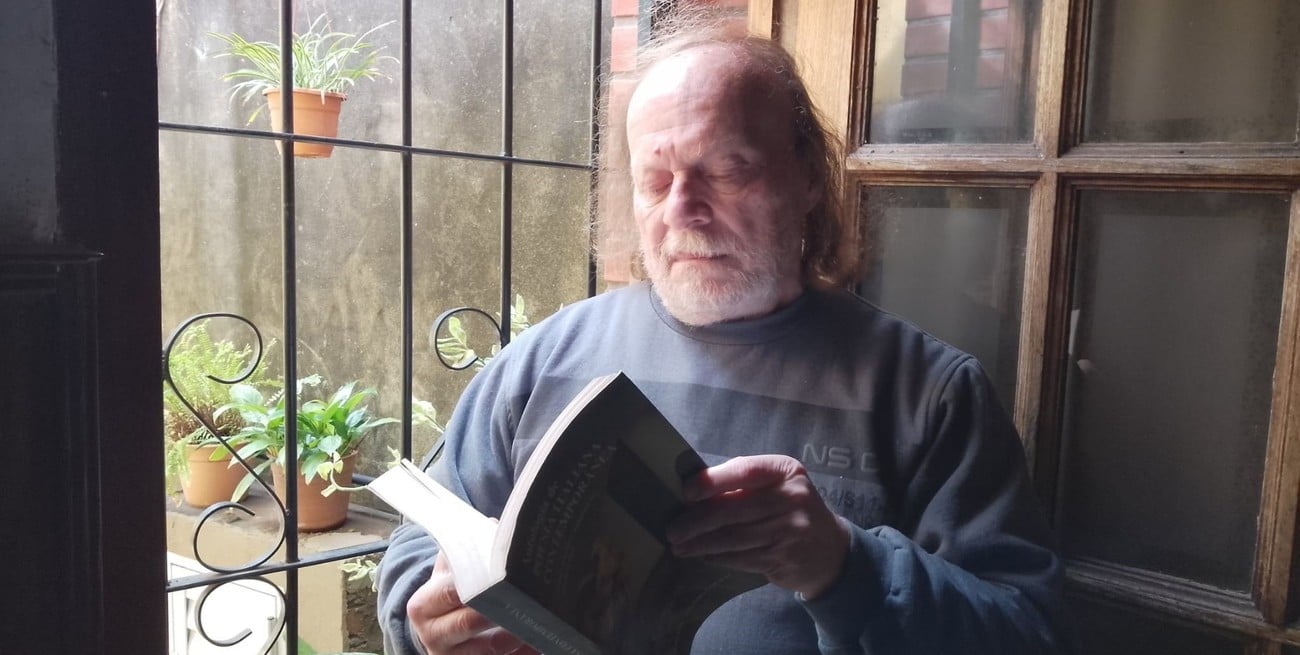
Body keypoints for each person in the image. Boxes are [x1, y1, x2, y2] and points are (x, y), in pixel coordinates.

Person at [378, 10, 1076, 655]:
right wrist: (423, 616)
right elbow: (421, 548)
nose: (684, 209)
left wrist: (845, 564)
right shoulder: (540, 364)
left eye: (727, 169)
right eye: (657, 179)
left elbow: (1026, 633)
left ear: (807, 177)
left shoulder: (929, 393)